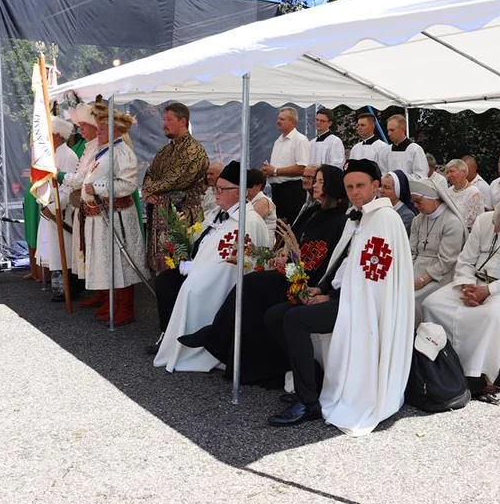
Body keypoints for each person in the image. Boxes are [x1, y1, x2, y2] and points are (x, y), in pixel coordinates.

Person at [265, 159, 415, 434]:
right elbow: (343, 262)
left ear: (376, 186)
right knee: (274, 315)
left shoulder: (384, 220)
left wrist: (333, 297)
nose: (354, 192)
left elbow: (372, 278)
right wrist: (320, 288)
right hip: (341, 295)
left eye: (360, 186)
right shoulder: (357, 216)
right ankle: (315, 379)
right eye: (349, 187)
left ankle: (308, 402)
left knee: (295, 320)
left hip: (359, 306)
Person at [177, 163, 348, 387]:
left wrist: (294, 266)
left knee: (252, 285)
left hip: (307, 280)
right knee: (252, 287)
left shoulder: (341, 220)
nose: (314, 185)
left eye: (319, 182)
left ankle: (216, 337)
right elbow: (293, 242)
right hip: (292, 270)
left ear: (332, 186)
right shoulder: (313, 211)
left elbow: (325, 260)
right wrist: (284, 255)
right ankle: (238, 356)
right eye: (314, 180)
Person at [420, 196, 500, 397]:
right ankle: (441, 363)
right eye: (495, 224)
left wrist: (488, 291)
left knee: (493, 316)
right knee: (432, 304)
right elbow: (465, 258)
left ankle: (485, 376)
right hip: (473, 282)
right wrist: (466, 284)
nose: (495, 231)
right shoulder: (484, 220)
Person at [153, 161, 272, 371]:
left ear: (238, 192)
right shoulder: (218, 212)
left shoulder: (249, 221)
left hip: (223, 280)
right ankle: (170, 339)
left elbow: (235, 261)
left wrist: (196, 272)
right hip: (199, 267)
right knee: (165, 280)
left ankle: (196, 345)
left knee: (191, 290)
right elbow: (203, 240)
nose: (216, 193)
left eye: (221, 189)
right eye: (216, 188)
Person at [80, 105, 149, 325]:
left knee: (120, 262)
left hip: (116, 216)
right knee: (108, 262)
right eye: (98, 127)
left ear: (116, 130)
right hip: (102, 217)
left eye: (102, 128)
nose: (97, 131)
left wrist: (98, 187)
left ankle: (125, 309)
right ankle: (114, 304)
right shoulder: (104, 151)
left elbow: (128, 185)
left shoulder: (122, 152)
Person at [141, 103, 209, 275]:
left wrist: (149, 189)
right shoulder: (165, 150)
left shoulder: (194, 150)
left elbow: (176, 180)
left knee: (180, 268)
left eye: (169, 119)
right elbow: (150, 173)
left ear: (182, 121)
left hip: (184, 217)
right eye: (163, 119)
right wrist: (146, 191)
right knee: (162, 272)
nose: (164, 123)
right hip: (161, 216)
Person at [408, 178, 468, 323]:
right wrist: (406, 272)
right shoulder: (417, 220)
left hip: (441, 275)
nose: (416, 206)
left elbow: (446, 261)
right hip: (416, 268)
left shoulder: (452, 222)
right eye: (413, 202)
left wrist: (422, 280)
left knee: (410, 299)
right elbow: (411, 252)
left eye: (418, 201)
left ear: (433, 198)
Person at [37, 117, 81, 300]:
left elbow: (69, 187)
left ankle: (69, 288)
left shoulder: (68, 156)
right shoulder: (52, 154)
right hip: (51, 209)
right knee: (54, 250)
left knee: (65, 250)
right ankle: (59, 285)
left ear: (57, 135)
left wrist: (54, 206)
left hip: (63, 212)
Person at [63, 104, 99, 288]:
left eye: (84, 125)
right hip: (82, 206)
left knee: (93, 250)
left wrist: (62, 176)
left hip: (94, 208)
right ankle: (97, 292)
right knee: (85, 248)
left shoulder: (97, 148)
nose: (81, 129)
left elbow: (83, 179)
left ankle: (102, 293)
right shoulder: (88, 147)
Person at [260, 107, 310, 221]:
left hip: (292, 191)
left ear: (292, 122)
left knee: (289, 227)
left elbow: (303, 168)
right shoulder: (278, 141)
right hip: (277, 190)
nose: (278, 121)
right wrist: (267, 170)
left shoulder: (300, 140)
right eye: (278, 118)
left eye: (282, 119)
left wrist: (275, 171)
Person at [384, 113, 428, 179]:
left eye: (392, 130)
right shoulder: (386, 151)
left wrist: (399, 179)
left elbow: (421, 176)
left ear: (403, 129)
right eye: (388, 130)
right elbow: (383, 173)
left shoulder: (415, 150)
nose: (389, 134)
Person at [445, 158, 485, 228]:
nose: (448, 175)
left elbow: (477, 221)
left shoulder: (474, 192)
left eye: (451, 171)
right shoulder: (447, 192)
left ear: (463, 172)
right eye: (447, 172)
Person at [288, 164, 320, 234]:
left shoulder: (321, 204)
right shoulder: (308, 201)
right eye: (303, 177)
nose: (304, 180)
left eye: (309, 177)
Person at [246, 168, 278, 238]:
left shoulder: (263, 201)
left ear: (258, 186)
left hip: (263, 246)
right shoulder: (248, 200)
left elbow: (248, 223)